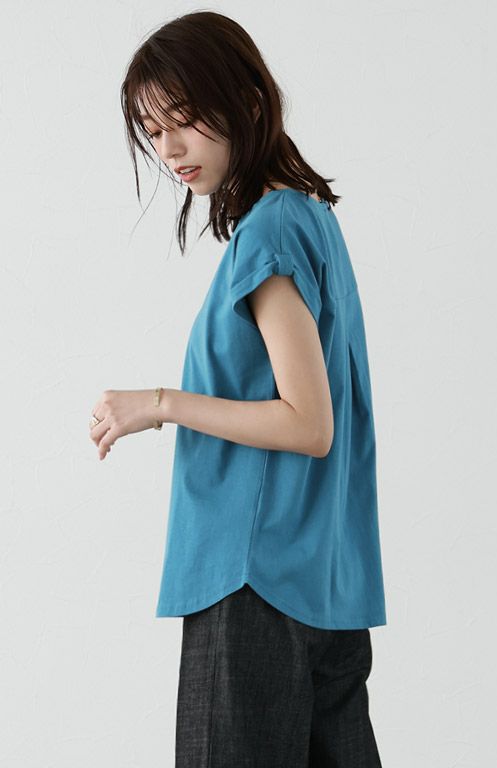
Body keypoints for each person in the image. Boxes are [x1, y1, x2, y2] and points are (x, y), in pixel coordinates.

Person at [89, 10, 386, 767]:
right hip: (323, 579)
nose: (169, 149)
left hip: (254, 582)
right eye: (153, 131)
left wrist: (157, 404)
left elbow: (308, 422)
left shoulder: (271, 232)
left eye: (183, 119)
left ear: (247, 101)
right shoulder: (308, 220)